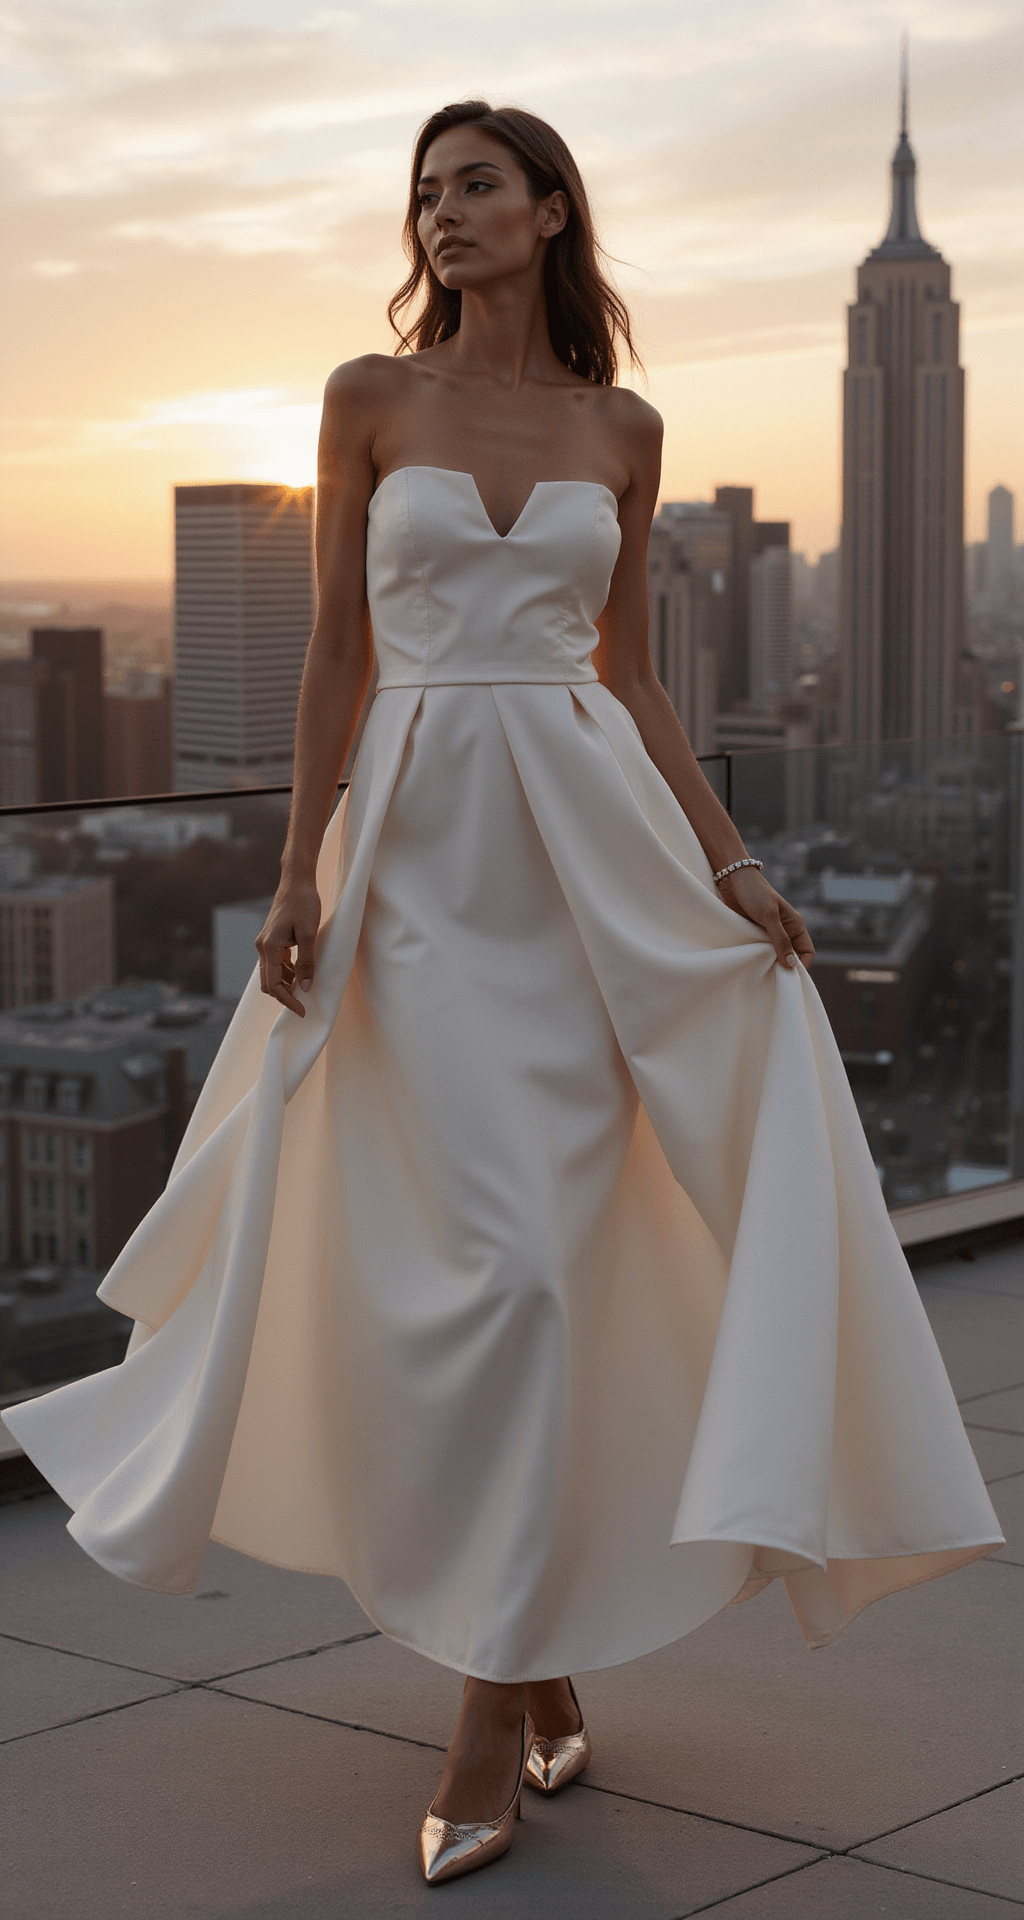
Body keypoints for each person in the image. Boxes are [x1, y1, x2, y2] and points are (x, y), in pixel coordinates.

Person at [3, 101, 1002, 1890]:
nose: (442, 214)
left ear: (550, 209)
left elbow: (632, 679)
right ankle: (532, 1656)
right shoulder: (367, 400)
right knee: (473, 1281)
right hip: (415, 867)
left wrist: (731, 865)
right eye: (426, 193)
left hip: (588, 867)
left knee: (547, 1272)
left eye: (476, 185)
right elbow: (334, 650)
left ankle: (488, 1707)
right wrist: (296, 872)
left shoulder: (624, 428)